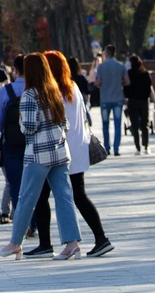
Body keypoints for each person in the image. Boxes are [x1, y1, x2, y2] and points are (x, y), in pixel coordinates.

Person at [0, 53, 81, 260]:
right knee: (64, 197)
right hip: (60, 152)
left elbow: (29, 128)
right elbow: (65, 124)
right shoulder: (54, 92)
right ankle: (72, 243)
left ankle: (15, 243)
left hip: (38, 155)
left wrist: (23, 122)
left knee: (25, 198)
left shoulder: (30, 95)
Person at [29, 50, 114, 259]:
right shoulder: (72, 86)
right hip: (77, 147)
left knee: (42, 195)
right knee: (77, 194)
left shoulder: (53, 90)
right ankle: (100, 238)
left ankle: (46, 244)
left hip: (59, 150)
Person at [0, 55, 26, 233]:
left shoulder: (6, 91)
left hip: (11, 144)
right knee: (34, 188)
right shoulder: (38, 89)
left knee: (15, 186)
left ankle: (20, 223)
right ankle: (33, 223)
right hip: (32, 144)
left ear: (16, 71)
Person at [95, 45, 129, 156]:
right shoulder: (121, 66)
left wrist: (103, 85)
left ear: (106, 53)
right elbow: (127, 81)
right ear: (114, 53)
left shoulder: (101, 67)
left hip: (105, 98)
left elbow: (97, 82)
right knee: (117, 124)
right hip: (118, 97)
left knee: (105, 124)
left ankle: (107, 148)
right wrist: (119, 83)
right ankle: (116, 149)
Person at [126, 54, 155, 155]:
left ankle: (138, 148)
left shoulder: (129, 74)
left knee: (135, 126)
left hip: (132, 101)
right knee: (145, 124)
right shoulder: (145, 73)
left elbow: (125, 87)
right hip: (144, 101)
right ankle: (146, 146)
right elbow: (150, 88)